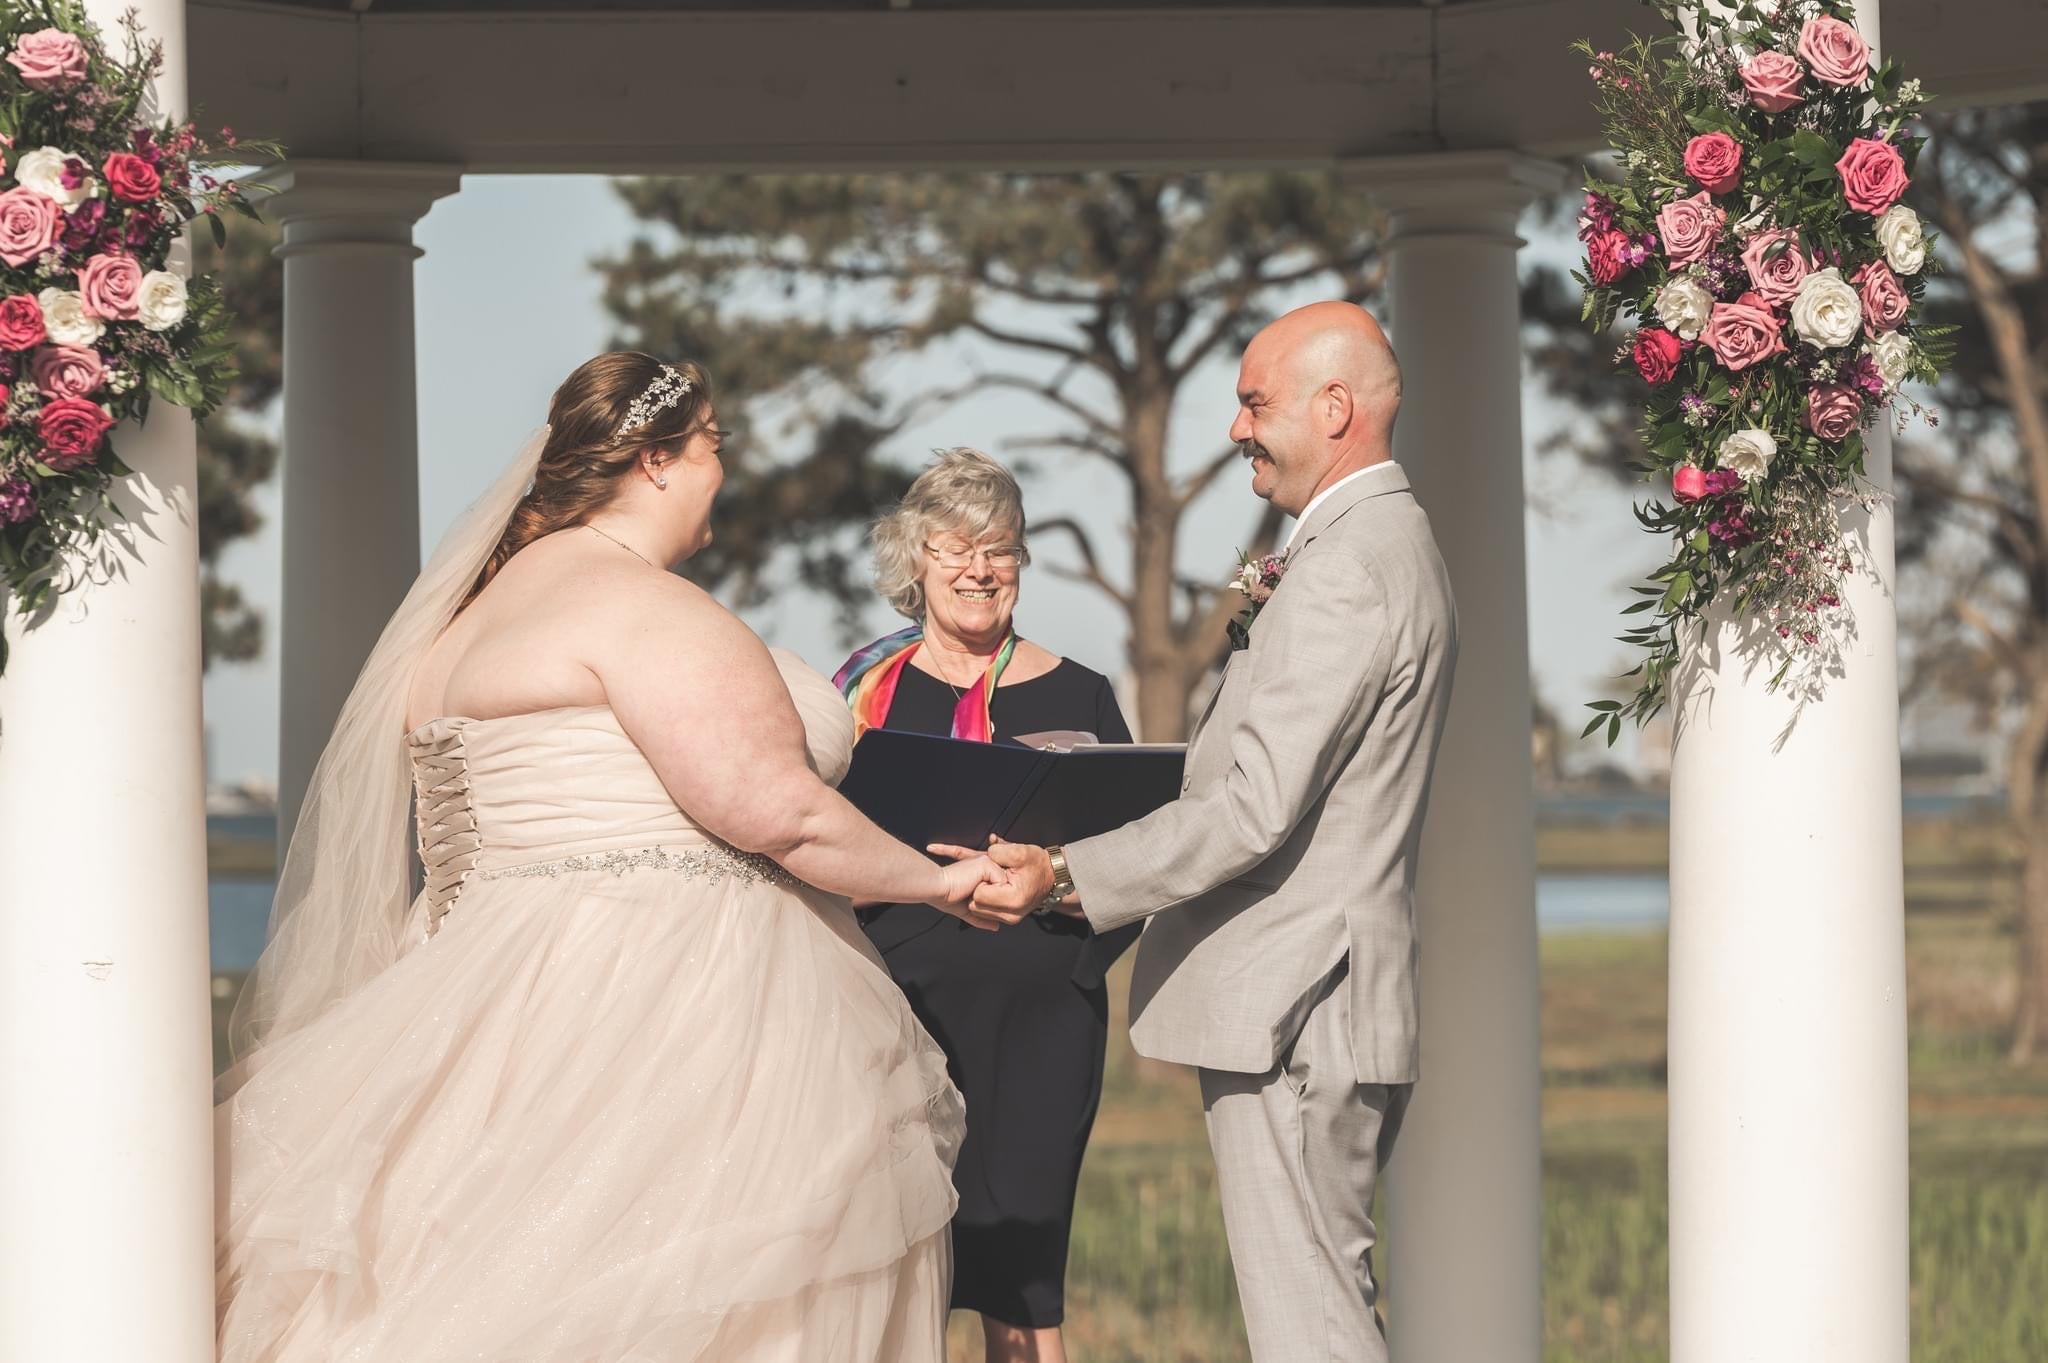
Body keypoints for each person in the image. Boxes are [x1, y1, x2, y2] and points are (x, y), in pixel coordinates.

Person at [214, 352, 1006, 1363]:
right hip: (674, 998)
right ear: (656, 459)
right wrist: (941, 879)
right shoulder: (642, 608)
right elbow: (780, 813)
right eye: (712, 446)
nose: (724, 469)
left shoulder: (462, 629)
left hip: (479, 993)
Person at [950, 302, 1458, 1363]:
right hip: (1321, 998)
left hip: (1298, 1005)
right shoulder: (1372, 543)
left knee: (1306, 1326)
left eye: (1252, 402)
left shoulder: (1349, 565)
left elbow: (1253, 805)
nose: (1234, 429)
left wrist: (1061, 872)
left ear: (1334, 409)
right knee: (1321, 1302)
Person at [835, 447, 1136, 1363]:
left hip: (1043, 1027)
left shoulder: (1082, 692)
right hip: (897, 1024)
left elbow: (1137, 861)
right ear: (915, 561)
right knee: (899, 1272)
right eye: (955, 548)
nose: (978, 568)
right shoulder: (859, 695)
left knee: (1021, 1282)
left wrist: (1069, 945)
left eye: (999, 548)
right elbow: (814, 846)